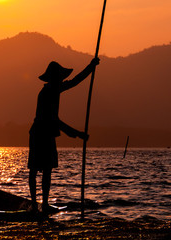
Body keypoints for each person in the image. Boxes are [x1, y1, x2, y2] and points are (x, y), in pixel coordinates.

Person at [28, 57, 100, 212]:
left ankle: (44, 204)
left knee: (47, 170)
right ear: (54, 78)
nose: (62, 80)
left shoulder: (54, 90)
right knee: (35, 169)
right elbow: (55, 120)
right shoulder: (48, 92)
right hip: (39, 134)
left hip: (47, 133)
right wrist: (77, 134)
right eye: (59, 77)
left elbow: (74, 82)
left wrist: (91, 67)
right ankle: (35, 205)